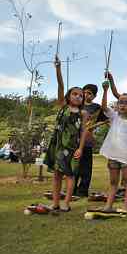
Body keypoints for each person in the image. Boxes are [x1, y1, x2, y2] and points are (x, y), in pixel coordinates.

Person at [44, 55, 88, 213]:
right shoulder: (62, 106)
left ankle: (66, 202)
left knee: (69, 175)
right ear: (68, 96)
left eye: (81, 95)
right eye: (75, 94)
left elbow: (83, 131)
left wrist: (80, 148)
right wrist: (58, 69)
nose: (78, 96)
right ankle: (55, 203)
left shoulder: (83, 113)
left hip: (71, 148)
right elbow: (60, 85)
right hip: (57, 145)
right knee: (56, 175)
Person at [99, 81, 127, 213]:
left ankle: (125, 206)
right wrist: (106, 90)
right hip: (113, 155)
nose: (123, 105)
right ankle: (108, 205)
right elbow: (104, 107)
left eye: (126, 103)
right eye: (120, 102)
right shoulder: (114, 116)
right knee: (113, 182)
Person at [73, 84, 106, 197]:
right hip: (74, 140)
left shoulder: (97, 108)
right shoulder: (77, 105)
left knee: (86, 167)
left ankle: (83, 190)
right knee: (74, 165)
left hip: (87, 140)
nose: (86, 95)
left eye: (90, 93)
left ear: (94, 96)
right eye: (85, 92)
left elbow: (106, 119)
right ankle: (72, 189)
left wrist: (93, 126)